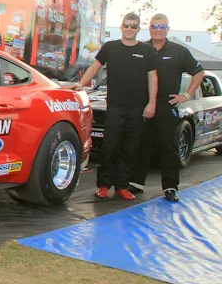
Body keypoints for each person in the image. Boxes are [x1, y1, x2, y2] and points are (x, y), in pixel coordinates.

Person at [71, 12, 157, 199]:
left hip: (137, 109)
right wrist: (81, 84)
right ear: (121, 27)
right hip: (115, 107)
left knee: (130, 148)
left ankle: (122, 186)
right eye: (127, 25)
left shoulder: (146, 50)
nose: (129, 29)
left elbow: (152, 77)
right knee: (110, 147)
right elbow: (95, 66)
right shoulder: (111, 47)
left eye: (133, 26)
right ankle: (103, 185)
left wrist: (152, 103)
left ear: (138, 29)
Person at [128, 14, 204, 202]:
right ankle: (136, 183)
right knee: (140, 144)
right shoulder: (141, 49)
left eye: (162, 27)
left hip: (166, 105)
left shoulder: (179, 51)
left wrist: (187, 94)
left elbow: (198, 72)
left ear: (168, 29)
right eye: (154, 26)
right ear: (149, 28)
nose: (158, 30)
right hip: (143, 105)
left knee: (168, 147)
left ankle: (170, 187)